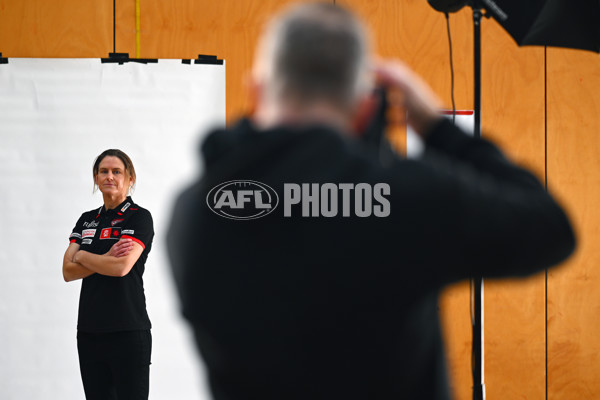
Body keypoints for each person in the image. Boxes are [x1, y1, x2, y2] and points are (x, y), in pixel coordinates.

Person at [167, 3, 575, 400]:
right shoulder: (406, 198)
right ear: (365, 110)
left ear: (255, 93)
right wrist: (436, 128)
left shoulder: (193, 212)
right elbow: (549, 228)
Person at [63, 149, 154, 400]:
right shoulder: (86, 221)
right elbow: (67, 271)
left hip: (128, 331)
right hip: (90, 333)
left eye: (117, 171)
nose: (109, 176)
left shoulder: (139, 218)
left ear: (130, 178)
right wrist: (103, 259)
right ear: (96, 178)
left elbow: (121, 267)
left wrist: (81, 256)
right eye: (103, 171)